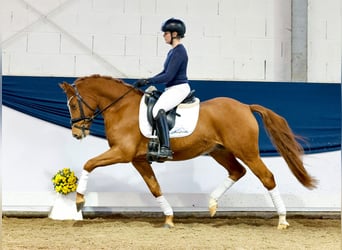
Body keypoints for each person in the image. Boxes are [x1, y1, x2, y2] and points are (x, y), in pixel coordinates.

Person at [136, 18, 191, 160]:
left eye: (165, 33)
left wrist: (149, 80)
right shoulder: (172, 52)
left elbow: (168, 76)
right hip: (172, 88)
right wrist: (147, 80)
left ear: (174, 34)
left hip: (179, 88)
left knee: (157, 110)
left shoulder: (179, 51)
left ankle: (166, 148)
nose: (163, 36)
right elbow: (163, 72)